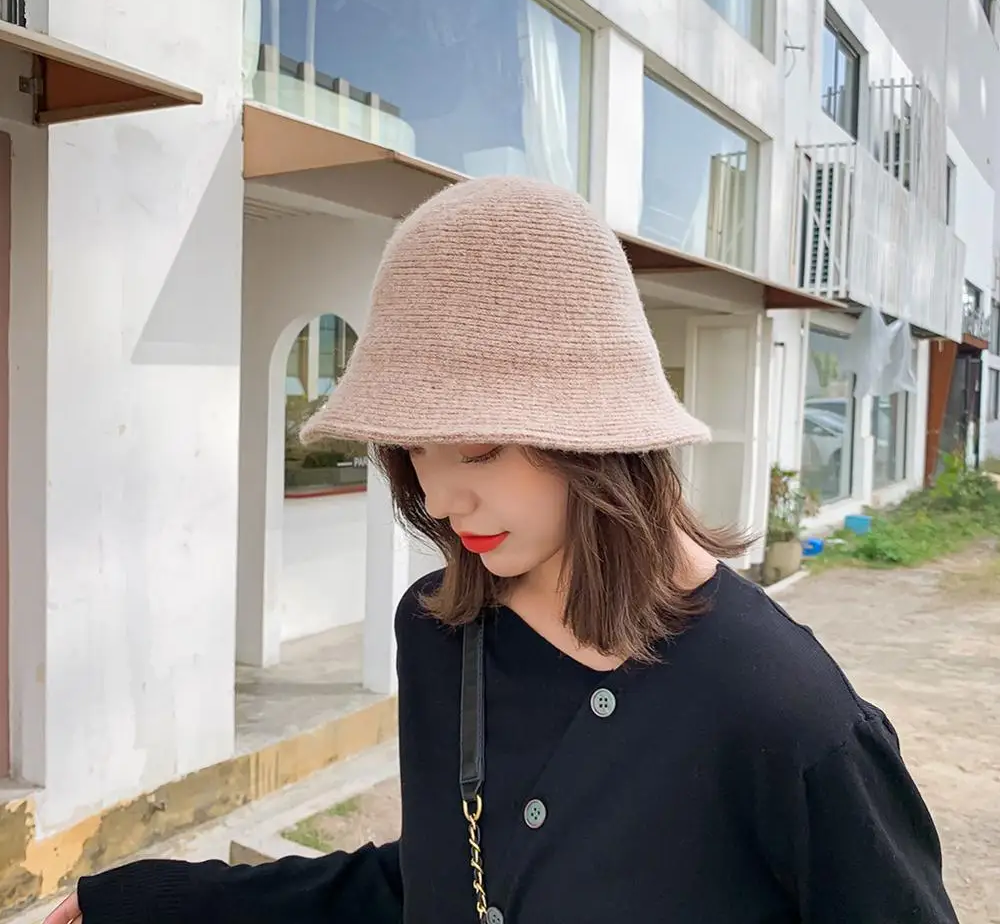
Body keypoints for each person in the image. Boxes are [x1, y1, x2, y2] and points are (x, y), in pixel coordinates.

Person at [45, 176, 957, 924]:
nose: (441, 499)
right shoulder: (439, 633)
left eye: (478, 449)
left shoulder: (784, 713)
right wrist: (162, 904)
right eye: (413, 450)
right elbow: (438, 884)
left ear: (598, 434)